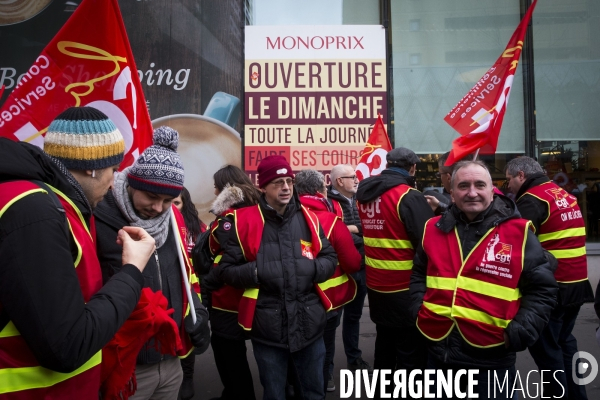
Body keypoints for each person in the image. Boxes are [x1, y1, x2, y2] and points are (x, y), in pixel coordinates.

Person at [0, 106, 156, 398]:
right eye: (113, 170)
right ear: (91, 165)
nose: (113, 184)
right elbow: (68, 346)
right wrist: (132, 271)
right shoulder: (34, 209)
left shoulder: (52, 204)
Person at [410, 160, 558, 399]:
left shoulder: (519, 233)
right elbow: (418, 273)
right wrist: (418, 309)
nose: (472, 192)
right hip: (437, 349)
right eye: (463, 185)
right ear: (451, 192)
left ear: (492, 189)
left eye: (480, 185)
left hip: (491, 359)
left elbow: (542, 290)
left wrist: (519, 332)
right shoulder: (432, 228)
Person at [95, 126, 210, 400]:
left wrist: (199, 311)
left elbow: (185, 275)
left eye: (168, 200)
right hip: (126, 365)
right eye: (151, 197)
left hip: (171, 359)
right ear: (133, 184)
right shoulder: (98, 220)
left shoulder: (174, 219)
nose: (158, 208)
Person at [219, 155, 337, 400]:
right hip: (267, 327)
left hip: (310, 324)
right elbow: (227, 271)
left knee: (314, 392)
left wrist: (311, 269)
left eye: (289, 181)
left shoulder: (310, 218)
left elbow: (329, 258)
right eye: (277, 182)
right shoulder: (242, 221)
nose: (285, 187)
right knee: (274, 393)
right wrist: (258, 272)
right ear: (262, 186)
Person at [505, 156, 593, 399]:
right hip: (577, 283)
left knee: (546, 350)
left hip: (553, 287)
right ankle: (577, 394)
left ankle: (559, 395)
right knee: (565, 343)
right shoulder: (562, 194)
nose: (508, 185)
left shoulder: (532, 199)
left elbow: (514, 239)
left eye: (509, 179)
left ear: (521, 175)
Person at [355, 147, 433, 387]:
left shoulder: (365, 193)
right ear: (412, 168)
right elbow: (427, 241)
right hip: (405, 288)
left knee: (385, 345)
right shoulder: (408, 195)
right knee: (410, 353)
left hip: (378, 286)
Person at [295, 169, 361, 393]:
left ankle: (296, 385)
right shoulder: (331, 221)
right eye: (325, 189)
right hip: (327, 301)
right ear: (319, 192)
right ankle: (323, 382)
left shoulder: (282, 218)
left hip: (291, 299)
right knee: (325, 345)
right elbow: (352, 263)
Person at [200, 165, 261, 400]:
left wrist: (209, 281)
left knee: (228, 352)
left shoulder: (229, 219)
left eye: (216, 187)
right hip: (255, 295)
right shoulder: (259, 211)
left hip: (226, 297)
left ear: (224, 189)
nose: (214, 192)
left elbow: (224, 257)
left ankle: (238, 395)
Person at [327, 164, 373, 377]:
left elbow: (370, 227)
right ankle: (326, 370)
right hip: (338, 272)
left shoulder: (360, 200)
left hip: (361, 268)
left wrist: (353, 229)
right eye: (352, 177)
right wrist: (358, 235)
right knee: (332, 322)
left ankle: (354, 360)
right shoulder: (328, 203)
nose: (357, 180)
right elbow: (334, 234)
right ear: (338, 182)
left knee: (353, 317)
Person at [173, 186, 207, 400]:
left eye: (176, 203)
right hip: (169, 287)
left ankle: (187, 377)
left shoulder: (197, 228)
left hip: (192, 289)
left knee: (188, 331)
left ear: (185, 204)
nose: (171, 207)